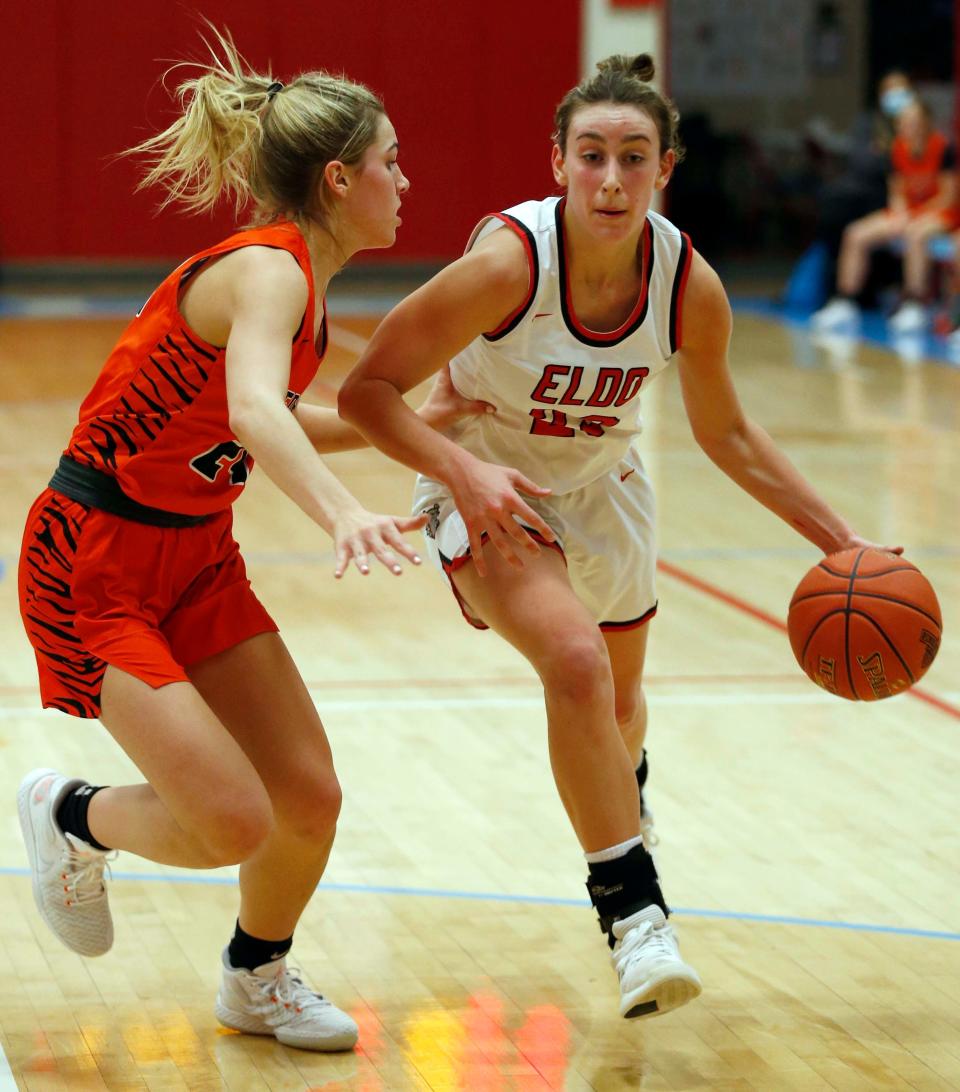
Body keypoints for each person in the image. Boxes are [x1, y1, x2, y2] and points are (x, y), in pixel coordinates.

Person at [338, 54, 901, 1020]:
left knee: (621, 705)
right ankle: (636, 921)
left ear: (664, 170)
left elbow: (727, 434)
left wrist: (843, 544)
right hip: (487, 479)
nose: (610, 179)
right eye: (591, 155)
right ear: (557, 161)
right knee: (574, 664)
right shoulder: (508, 266)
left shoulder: (689, 283)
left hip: (606, 485)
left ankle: (621, 791)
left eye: (633, 159)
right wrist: (464, 474)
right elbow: (366, 392)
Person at [16, 28, 487, 1053]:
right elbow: (255, 420)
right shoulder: (268, 273)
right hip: (92, 561)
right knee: (234, 822)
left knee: (307, 796)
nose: (405, 179)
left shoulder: (305, 286)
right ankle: (73, 817)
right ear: (338, 176)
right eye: (391, 160)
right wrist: (340, 512)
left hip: (193, 555)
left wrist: (423, 423)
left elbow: (273, 410)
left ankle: (255, 975)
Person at [812, 96, 959, 334]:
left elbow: (948, 196)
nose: (905, 126)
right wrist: (900, 212)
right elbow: (897, 192)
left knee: (915, 234)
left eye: (911, 121)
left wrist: (915, 216)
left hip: (940, 213)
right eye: (902, 121)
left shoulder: (943, 148)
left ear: (925, 122)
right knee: (856, 233)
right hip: (909, 212)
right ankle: (845, 300)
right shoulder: (897, 148)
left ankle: (915, 304)